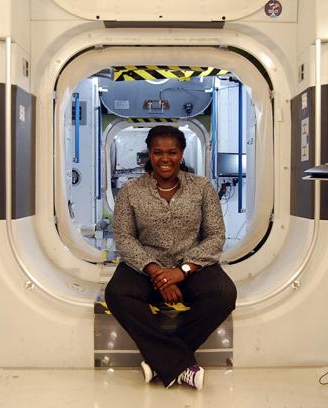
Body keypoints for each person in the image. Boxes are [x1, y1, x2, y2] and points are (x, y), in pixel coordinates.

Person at [105, 125, 237, 390]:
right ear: (149, 155)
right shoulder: (131, 191)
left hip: (192, 264)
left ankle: (160, 361)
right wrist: (156, 272)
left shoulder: (202, 188)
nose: (165, 159)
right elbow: (125, 239)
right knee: (117, 293)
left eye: (172, 152)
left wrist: (182, 271)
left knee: (223, 293)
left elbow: (215, 236)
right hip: (145, 264)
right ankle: (178, 362)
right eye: (158, 152)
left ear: (182, 153)